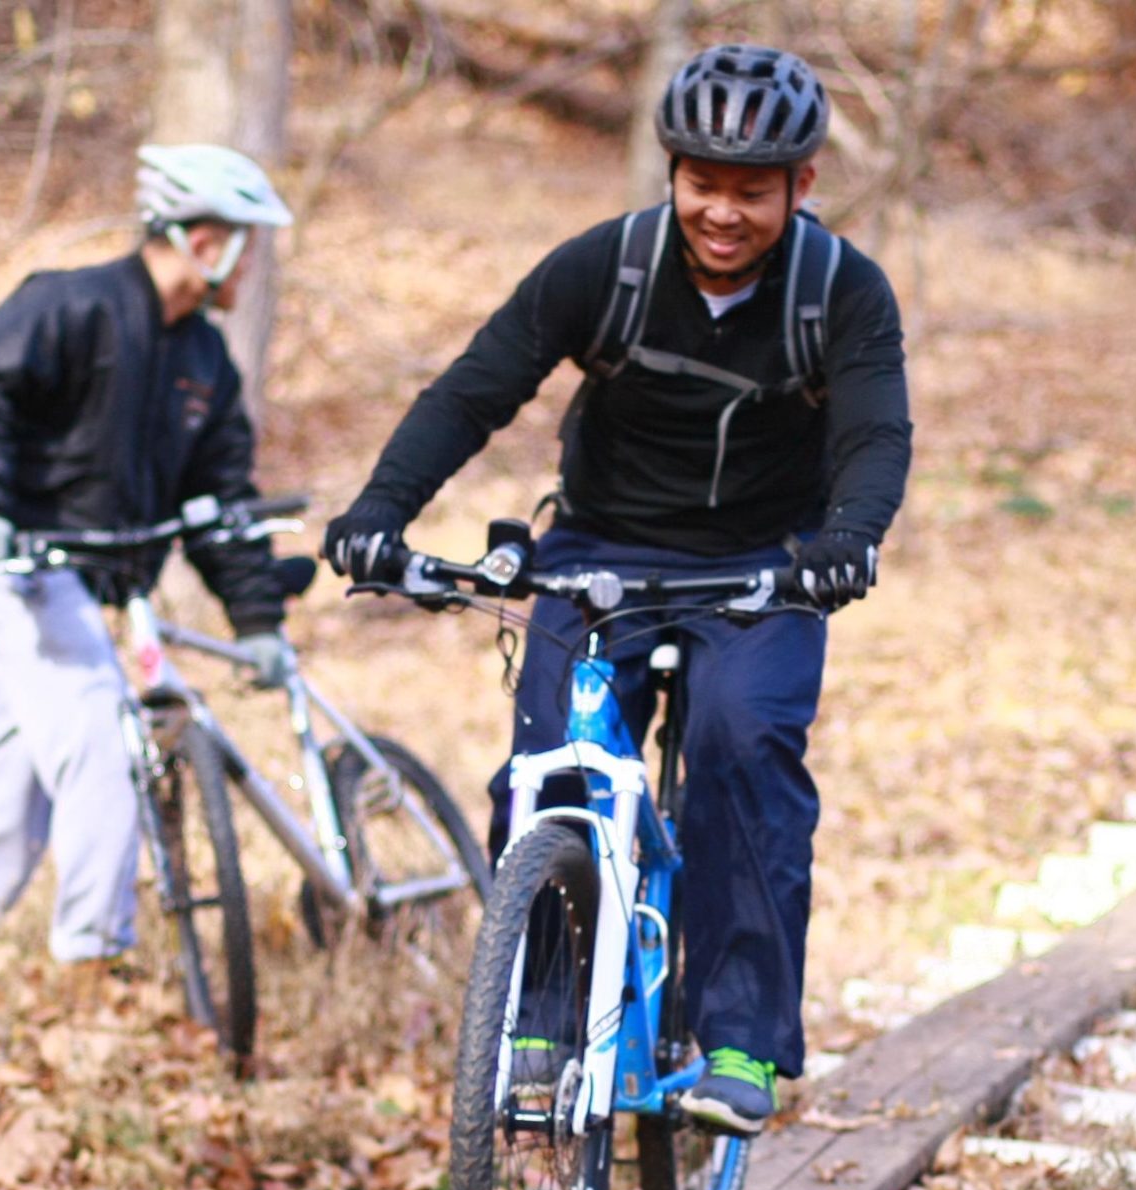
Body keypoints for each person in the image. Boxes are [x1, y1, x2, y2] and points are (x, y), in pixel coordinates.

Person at [324, 45, 913, 1134]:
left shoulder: (840, 292)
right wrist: (380, 511)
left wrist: (847, 537)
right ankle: (541, 1011)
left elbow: (875, 430)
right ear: (670, 172)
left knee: (742, 748)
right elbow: (474, 391)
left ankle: (737, 1037)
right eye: (702, 183)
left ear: (801, 187)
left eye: (751, 190)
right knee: (550, 765)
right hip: (599, 554)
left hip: (764, 570)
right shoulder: (606, 267)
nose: (722, 212)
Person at [0, 144, 311, 970]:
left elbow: (219, 503)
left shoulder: (204, 363)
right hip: (21, 565)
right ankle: (96, 952)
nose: (253, 262)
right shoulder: (70, 306)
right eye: (246, 241)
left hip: (91, 585)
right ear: (201, 241)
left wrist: (258, 618)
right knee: (104, 737)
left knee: (20, 764)